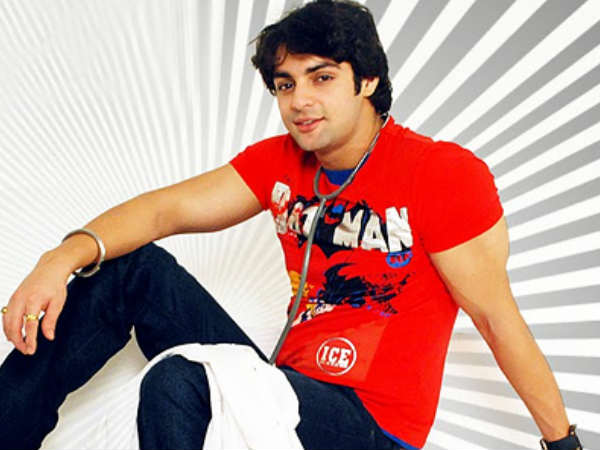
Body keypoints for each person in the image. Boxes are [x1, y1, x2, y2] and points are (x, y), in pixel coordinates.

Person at [0, 1, 583, 449]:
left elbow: (495, 317)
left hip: (371, 427)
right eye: (285, 84)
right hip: (281, 390)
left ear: (367, 81)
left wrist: (562, 442)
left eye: (320, 77)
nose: (299, 100)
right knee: (129, 268)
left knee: (181, 378)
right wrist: (58, 259)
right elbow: (162, 211)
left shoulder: (441, 173)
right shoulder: (279, 162)